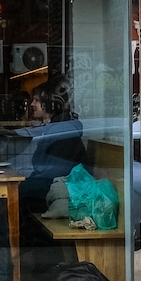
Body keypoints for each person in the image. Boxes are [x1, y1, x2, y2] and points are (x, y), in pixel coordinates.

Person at [17, 75, 88, 214]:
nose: (32, 104)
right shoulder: (56, 128)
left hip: (64, 194)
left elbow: (53, 175)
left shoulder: (64, 132)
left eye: (37, 100)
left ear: (50, 102)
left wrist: (23, 186)